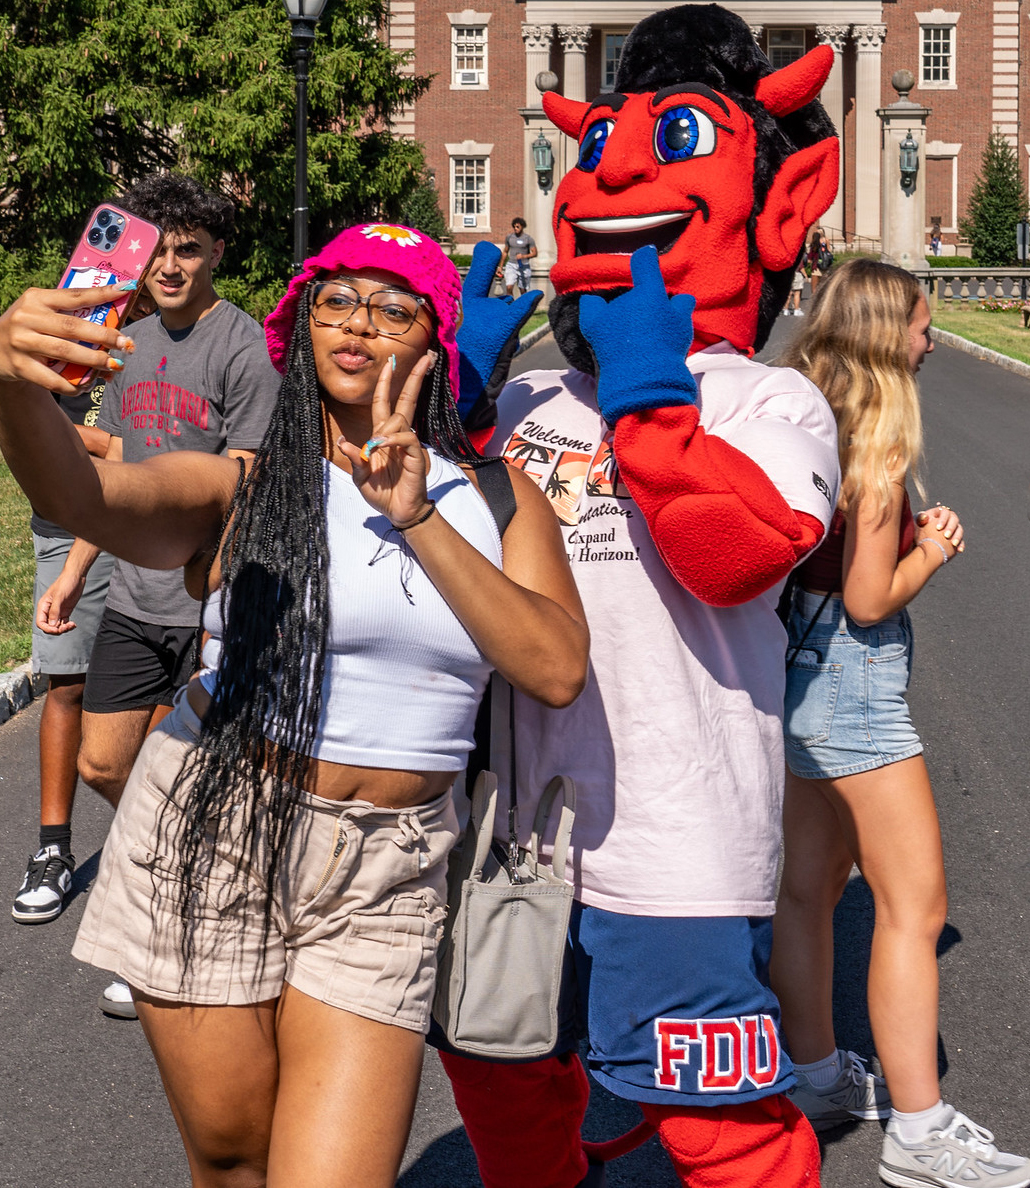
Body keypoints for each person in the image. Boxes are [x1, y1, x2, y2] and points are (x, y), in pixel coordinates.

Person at [0, 221, 589, 1188]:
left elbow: (554, 667)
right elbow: (93, 495)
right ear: (301, 325)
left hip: (386, 871)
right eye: (336, 299)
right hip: (214, 824)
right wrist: (10, 382)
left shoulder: (495, 495)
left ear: (437, 338)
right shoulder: (249, 486)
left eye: (395, 307)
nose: (359, 324)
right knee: (229, 1157)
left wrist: (417, 515)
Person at [436, 8, 845, 1186]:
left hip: (675, 837)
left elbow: (729, 553)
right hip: (515, 837)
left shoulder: (769, 406)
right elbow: (421, 543)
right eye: (598, 140)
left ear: (777, 198)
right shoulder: (528, 401)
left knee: (723, 1133)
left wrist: (650, 389)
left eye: (669, 140)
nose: (607, 170)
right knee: (508, 1083)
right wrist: (453, 404)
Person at [769, 259, 1029, 1188]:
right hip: (853, 677)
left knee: (809, 887)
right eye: (921, 324)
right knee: (916, 911)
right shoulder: (876, 442)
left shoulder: (800, 414)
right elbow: (872, 598)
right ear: (888, 335)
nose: (929, 338)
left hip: (796, 663)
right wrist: (934, 549)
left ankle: (812, 1077)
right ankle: (920, 1133)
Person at [39, 173, 280, 1017]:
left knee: (187, 772)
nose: (170, 266)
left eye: (189, 248)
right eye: (159, 250)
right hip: (134, 604)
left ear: (217, 252)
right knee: (106, 762)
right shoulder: (132, 341)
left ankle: (171, 931)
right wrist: (74, 574)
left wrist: (221, 604)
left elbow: (243, 489)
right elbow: (121, 482)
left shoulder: (243, 349)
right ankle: (193, 854)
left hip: (210, 606)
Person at [0, 380, 116, 924]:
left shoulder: (160, 331)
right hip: (68, 520)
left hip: (155, 513)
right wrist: (97, 442)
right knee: (68, 683)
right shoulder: (75, 313)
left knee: (164, 689)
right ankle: (53, 850)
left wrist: (82, 440)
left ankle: (156, 850)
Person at [499, 217, 537, 297]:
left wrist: (523, 256)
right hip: (511, 265)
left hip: (524, 266)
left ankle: (522, 307)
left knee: (522, 290)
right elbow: (505, 252)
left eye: (517, 227)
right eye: (514, 227)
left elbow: (535, 253)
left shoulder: (528, 239)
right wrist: (500, 266)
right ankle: (510, 305)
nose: (515, 229)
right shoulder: (509, 237)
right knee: (509, 287)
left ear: (522, 226)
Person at [785, 242, 808, 316]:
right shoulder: (798, 254)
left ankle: (786, 309)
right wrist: (805, 275)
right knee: (797, 293)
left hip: (789, 273)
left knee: (788, 293)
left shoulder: (788, 253)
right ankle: (796, 309)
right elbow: (800, 266)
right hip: (797, 274)